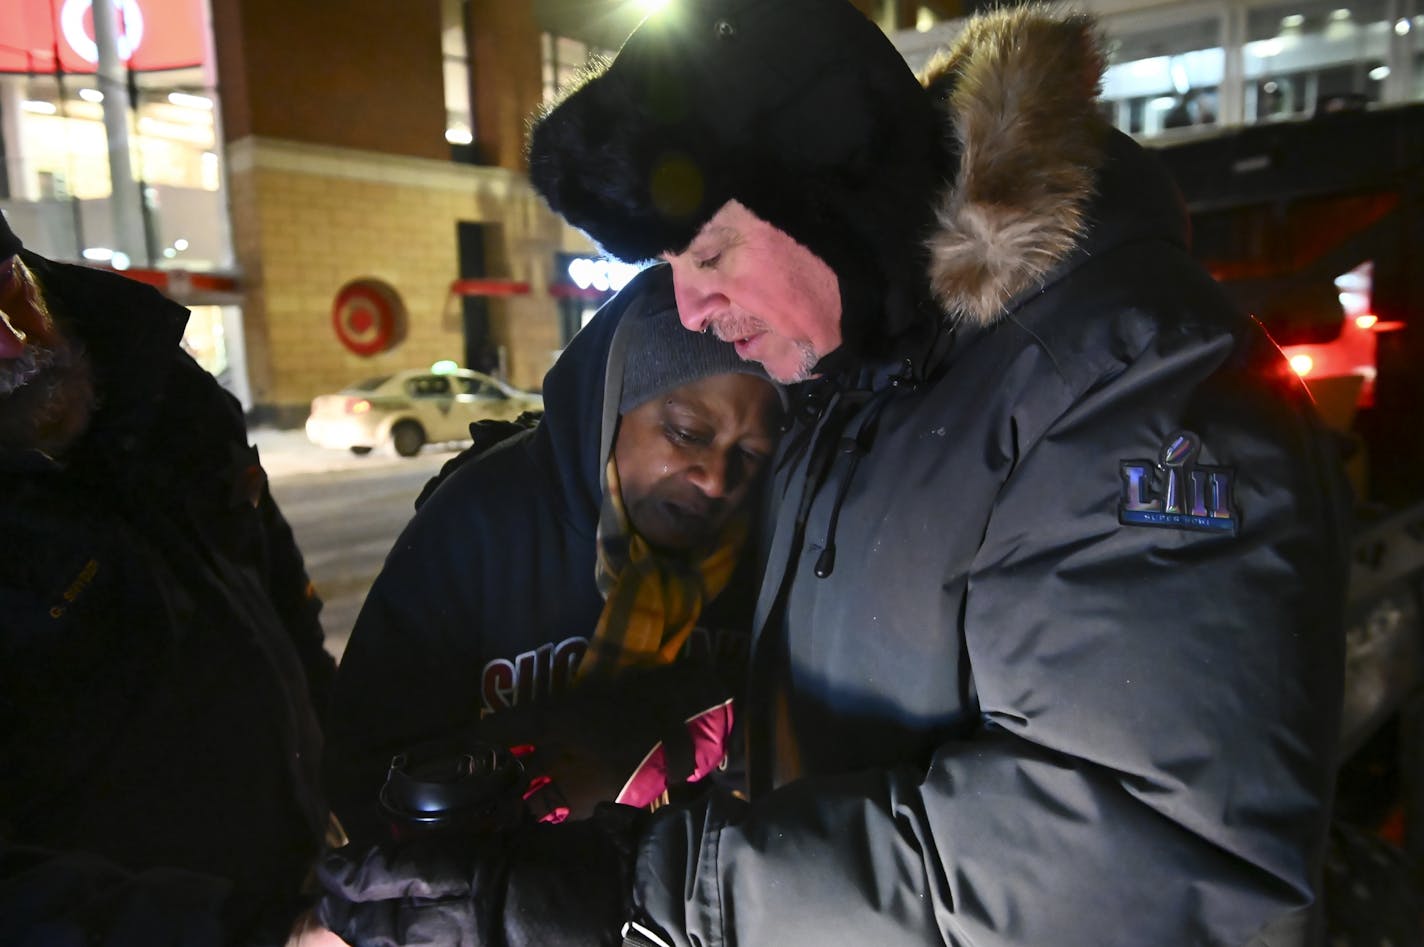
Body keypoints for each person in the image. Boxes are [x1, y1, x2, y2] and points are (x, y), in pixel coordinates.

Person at [318, 4, 1353, 946]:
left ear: (832, 199)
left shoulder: (1125, 383)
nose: (689, 312)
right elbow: (816, 704)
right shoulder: (856, 386)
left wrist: (644, 888)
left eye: (710, 254)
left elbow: (1150, 854)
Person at [323, 265, 784, 845]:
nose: (717, 480)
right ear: (608, 409)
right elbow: (366, 763)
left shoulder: (773, 544)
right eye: (688, 433)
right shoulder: (482, 521)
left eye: (751, 454)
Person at [0, 212, 338, 946]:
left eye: (9, 289)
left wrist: (348, 774)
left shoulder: (140, 362)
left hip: (296, 883)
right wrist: (257, 933)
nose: (13, 339)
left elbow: (274, 590)